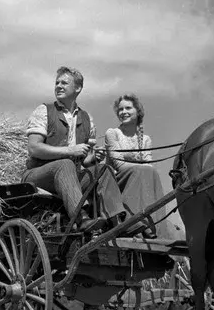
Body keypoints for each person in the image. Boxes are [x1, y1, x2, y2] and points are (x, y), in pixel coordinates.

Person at [22, 66, 133, 233]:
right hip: (38, 175)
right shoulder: (44, 110)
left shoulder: (88, 119)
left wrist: (94, 157)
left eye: (64, 83)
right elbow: (34, 148)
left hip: (70, 177)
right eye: (57, 83)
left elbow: (85, 160)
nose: (58, 86)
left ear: (78, 88)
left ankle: (117, 221)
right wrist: (70, 150)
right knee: (65, 164)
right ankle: (80, 218)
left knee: (103, 169)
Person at [104, 94, 174, 239]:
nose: (123, 112)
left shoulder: (146, 139)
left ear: (138, 112)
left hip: (138, 179)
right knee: (145, 171)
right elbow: (119, 164)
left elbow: (148, 163)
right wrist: (142, 168)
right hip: (116, 182)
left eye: (128, 108)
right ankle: (132, 221)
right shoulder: (112, 134)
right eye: (120, 109)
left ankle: (155, 225)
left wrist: (146, 168)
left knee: (152, 172)